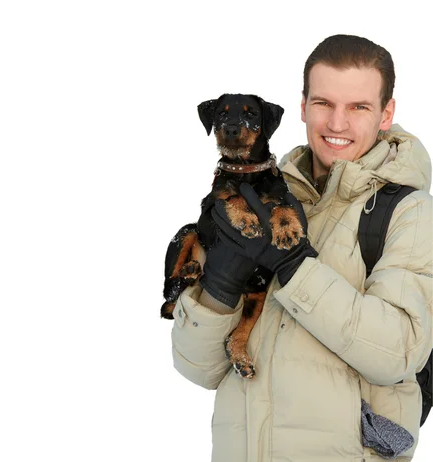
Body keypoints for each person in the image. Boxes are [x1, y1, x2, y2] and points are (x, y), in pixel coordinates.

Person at [170, 34, 433, 461]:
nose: (336, 124)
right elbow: (197, 368)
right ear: (303, 106)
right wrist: (219, 285)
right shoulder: (260, 198)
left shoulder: (409, 212)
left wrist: (295, 265)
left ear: (387, 113)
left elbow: (398, 352)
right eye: (324, 103)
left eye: (358, 107)